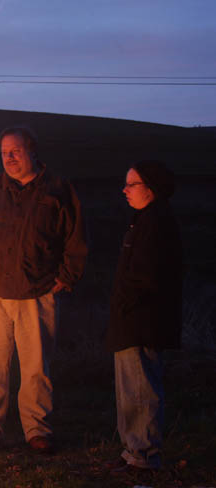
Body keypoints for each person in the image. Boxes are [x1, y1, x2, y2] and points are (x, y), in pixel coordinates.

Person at [0, 127, 87, 452]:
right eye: (4, 152)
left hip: (37, 293)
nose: (9, 158)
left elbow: (76, 239)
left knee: (37, 368)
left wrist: (65, 277)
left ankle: (36, 430)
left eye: (15, 151)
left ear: (32, 151)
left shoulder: (58, 190)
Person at [106, 160, 182, 472]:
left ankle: (144, 454)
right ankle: (134, 451)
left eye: (132, 184)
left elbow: (147, 276)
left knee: (140, 389)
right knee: (131, 389)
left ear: (150, 188)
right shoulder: (145, 220)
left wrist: (126, 303)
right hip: (132, 320)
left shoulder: (156, 223)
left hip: (141, 321)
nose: (125, 189)